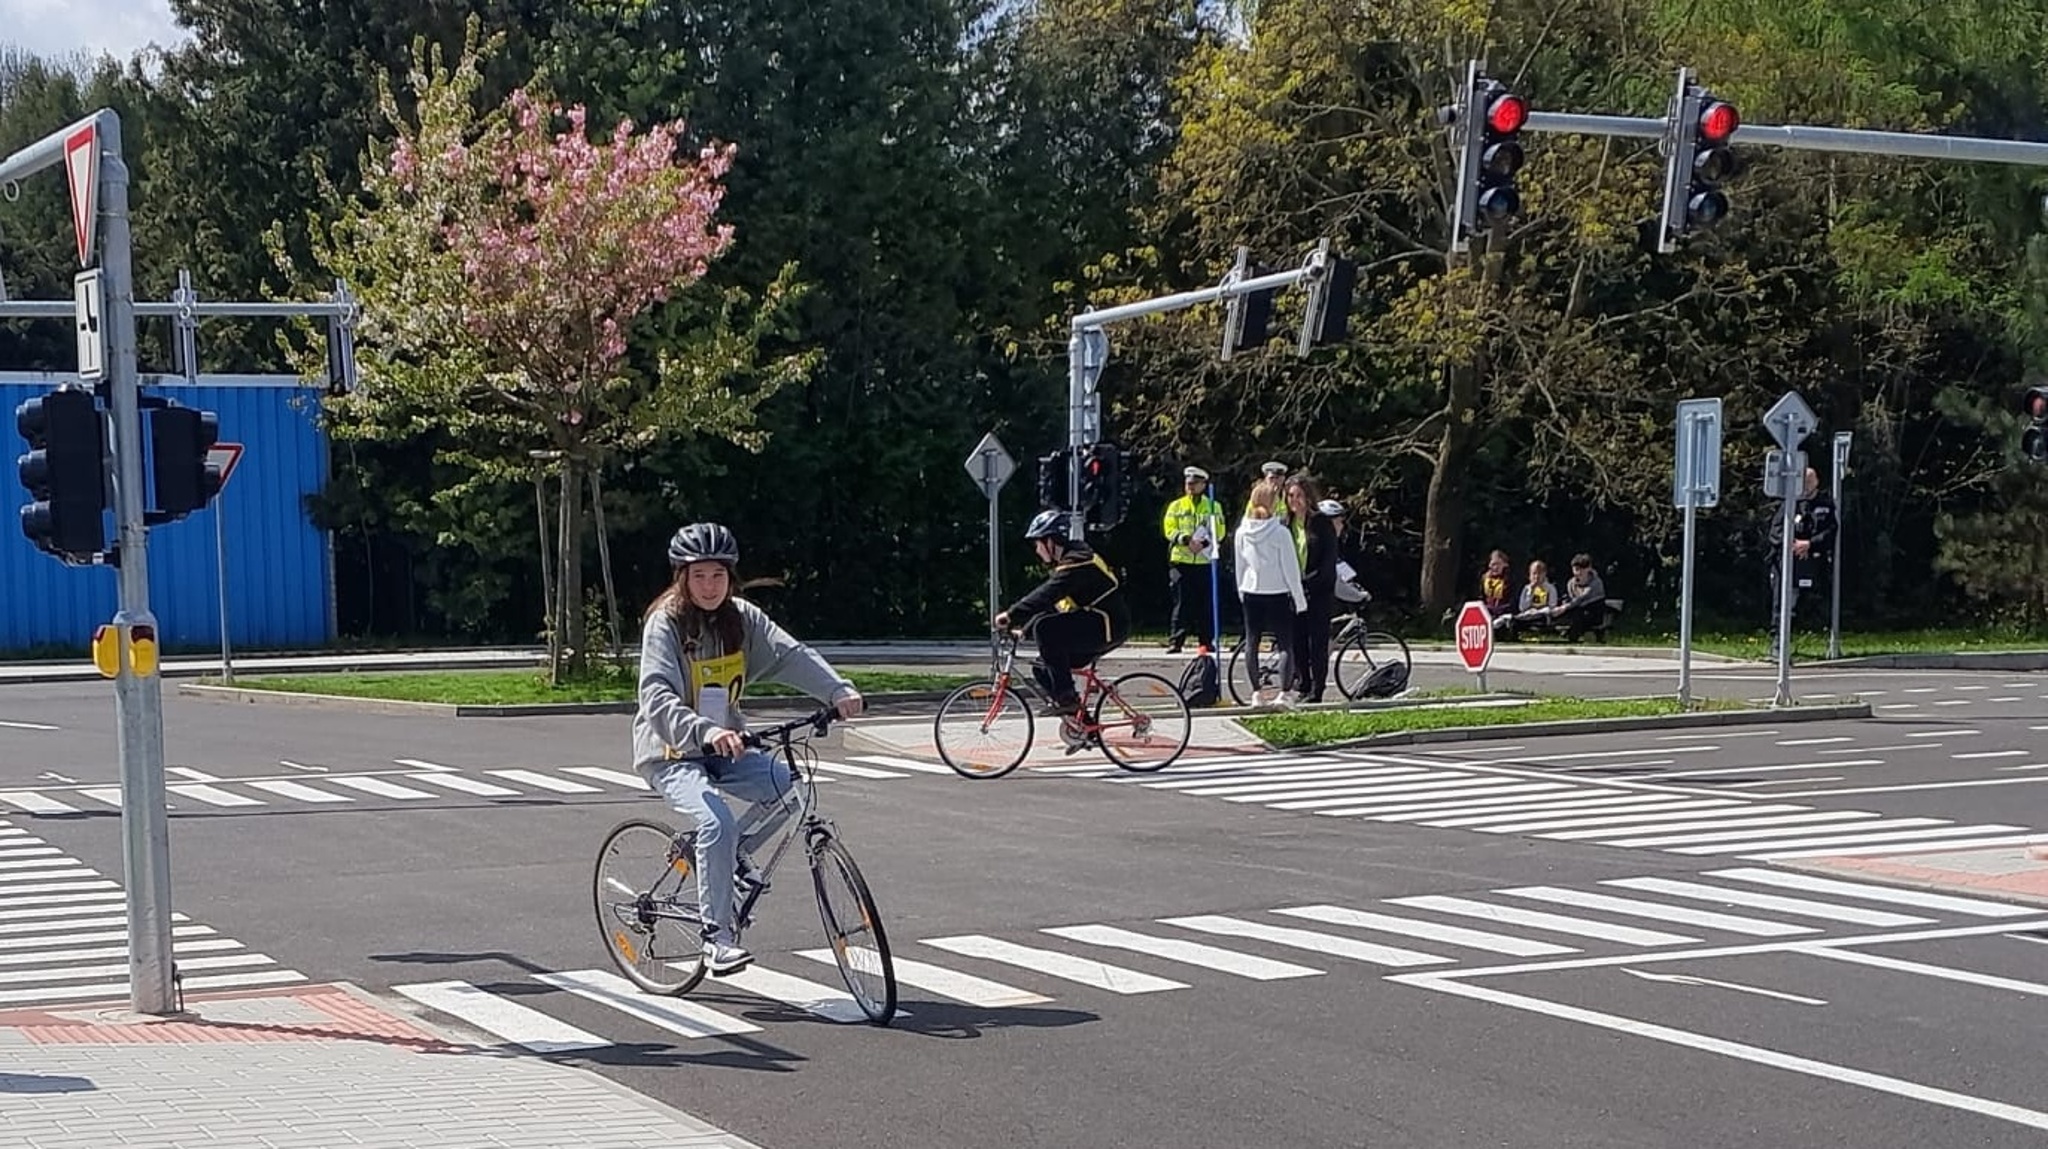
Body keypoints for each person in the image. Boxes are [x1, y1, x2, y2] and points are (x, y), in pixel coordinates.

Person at [631, 522, 866, 976]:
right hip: (672, 751)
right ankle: (716, 940)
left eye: (717, 575)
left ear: (730, 577)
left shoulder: (742, 618)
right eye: (698, 575)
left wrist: (837, 690)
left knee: (790, 787)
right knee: (715, 818)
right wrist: (704, 730)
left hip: (727, 745)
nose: (709, 586)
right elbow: (656, 697)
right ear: (682, 576)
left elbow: (789, 654)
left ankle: (726, 854)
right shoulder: (666, 624)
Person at [995, 510, 1131, 739]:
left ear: (1050, 541)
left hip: (1108, 625)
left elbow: (1047, 594)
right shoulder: (1072, 560)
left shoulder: (1078, 562)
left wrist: (1011, 614)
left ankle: (1067, 698)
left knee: (1047, 630)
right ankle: (1085, 727)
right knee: (1042, 666)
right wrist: (1024, 631)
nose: (1037, 550)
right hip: (1095, 623)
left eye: (1038, 544)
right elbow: (1054, 605)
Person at [1235, 477, 1306, 705]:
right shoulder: (1280, 533)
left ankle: (1256, 692)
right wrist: (1299, 598)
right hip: (1277, 591)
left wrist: (1241, 590)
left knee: (1252, 642)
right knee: (1285, 643)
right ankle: (1284, 693)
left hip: (1251, 590)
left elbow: (1240, 565)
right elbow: (1290, 568)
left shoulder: (1242, 532)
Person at [1767, 466, 1839, 657]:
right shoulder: (1790, 504)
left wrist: (1809, 544)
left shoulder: (1825, 504)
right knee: (1782, 602)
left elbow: (1831, 532)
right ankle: (1778, 644)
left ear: (1816, 482)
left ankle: (1826, 642)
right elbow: (1775, 532)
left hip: (1814, 561)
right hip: (1787, 562)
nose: (1806, 486)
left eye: (1810, 481)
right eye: (1803, 482)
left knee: (1810, 604)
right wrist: (1793, 546)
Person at [1162, 465, 1227, 654]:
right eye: (1188, 483)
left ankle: (1206, 641)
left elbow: (1220, 530)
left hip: (1204, 561)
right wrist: (1186, 539)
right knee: (1181, 603)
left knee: (1205, 603)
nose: (1190, 486)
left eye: (1194, 483)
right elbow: (1169, 528)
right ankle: (1176, 641)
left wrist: (1205, 543)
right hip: (1181, 560)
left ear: (1203, 485)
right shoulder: (1176, 506)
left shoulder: (1213, 506)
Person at [1287, 474, 1339, 702]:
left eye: (1299, 495)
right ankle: (1303, 683)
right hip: (1293, 591)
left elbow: (1329, 560)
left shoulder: (1321, 523)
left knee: (1316, 642)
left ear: (1308, 497)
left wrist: (1309, 583)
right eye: (1290, 496)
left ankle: (1317, 690)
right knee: (1297, 641)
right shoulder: (1284, 524)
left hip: (1318, 591)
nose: (1294, 500)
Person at [1549, 553, 1609, 641]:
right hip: (1577, 611)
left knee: (1578, 614)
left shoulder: (1596, 583)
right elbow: (1570, 599)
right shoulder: (1571, 583)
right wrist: (1563, 605)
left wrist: (1565, 607)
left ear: (1589, 568)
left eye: (1582, 569)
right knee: (1573, 613)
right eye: (1576, 569)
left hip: (1594, 612)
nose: (1579, 572)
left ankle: (1572, 636)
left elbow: (1582, 598)